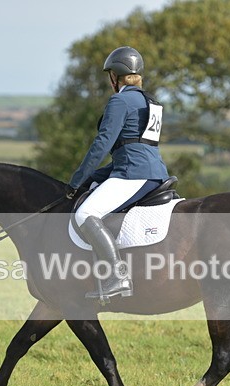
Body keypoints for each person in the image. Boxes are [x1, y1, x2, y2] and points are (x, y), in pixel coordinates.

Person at [65, 46, 170, 300]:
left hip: (133, 174)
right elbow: (133, 148)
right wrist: (94, 178)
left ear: (115, 76)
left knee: (85, 213)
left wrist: (76, 180)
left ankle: (117, 276)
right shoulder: (151, 102)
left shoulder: (119, 100)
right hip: (154, 172)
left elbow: (102, 144)